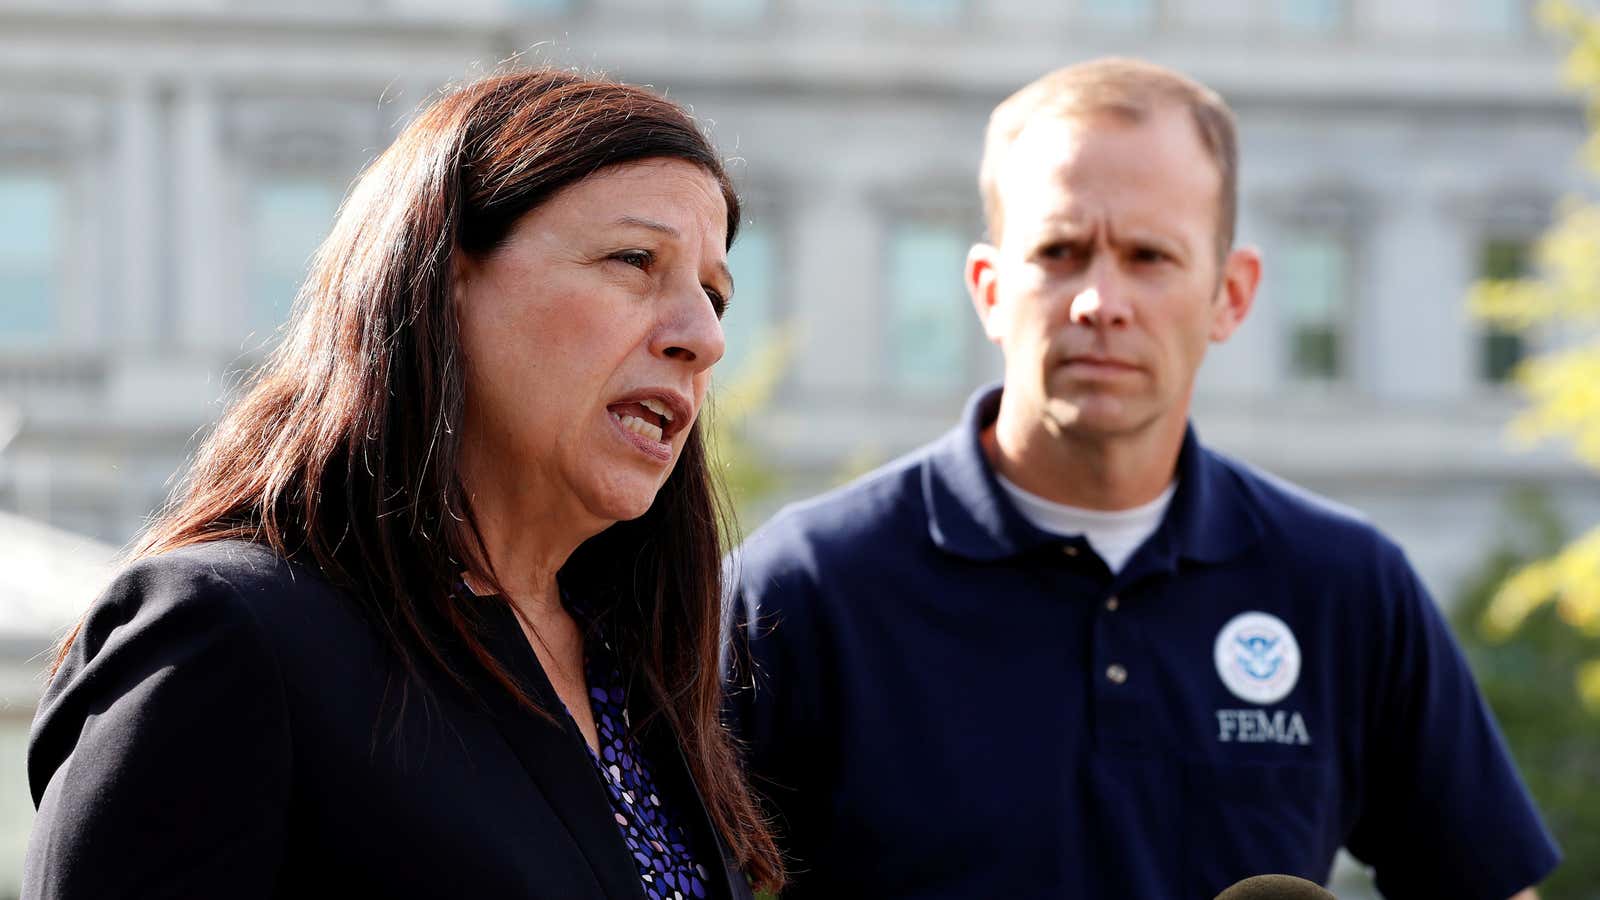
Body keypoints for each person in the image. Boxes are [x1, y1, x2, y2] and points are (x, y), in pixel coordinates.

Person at [726, 58, 1559, 899]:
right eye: (1059, 251)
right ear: (989, 288)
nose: (1100, 300)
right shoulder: (804, 587)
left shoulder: (1350, 588)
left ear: (1230, 295)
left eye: (1149, 255)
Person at [26, 68, 784, 900]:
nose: (705, 338)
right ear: (444, 277)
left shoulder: (642, 671)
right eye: (635, 260)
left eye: (714, 295)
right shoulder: (230, 635)